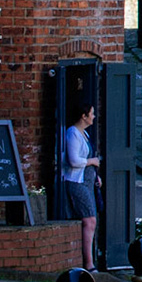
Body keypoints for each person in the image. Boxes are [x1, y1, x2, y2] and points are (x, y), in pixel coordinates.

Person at [61, 104, 101, 270]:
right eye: (91, 114)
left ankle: (90, 260)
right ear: (83, 116)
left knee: (92, 219)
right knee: (90, 220)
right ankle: (89, 263)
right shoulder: (73, 133)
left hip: (87, 182)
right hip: (77, 183)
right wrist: (92, 162)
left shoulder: (84, 134)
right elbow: (74, 160)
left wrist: (96, 176)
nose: (94, 117)